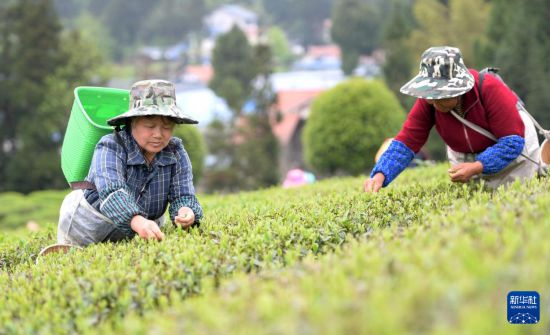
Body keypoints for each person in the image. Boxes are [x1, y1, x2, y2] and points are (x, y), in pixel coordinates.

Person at [364, 46, 544, 193]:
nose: (434, 102)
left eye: (442, 96)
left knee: (515, 200)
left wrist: (478, 166)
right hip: (468, 158)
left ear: (460, 89)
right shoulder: (429, 101)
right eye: (430, 96)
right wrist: (381, 173)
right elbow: (406, 142)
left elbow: (512, 142)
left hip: (514, 154)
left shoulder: (489, 88)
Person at [55, 79, 203, 248]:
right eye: (150, 125)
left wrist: (186, 212)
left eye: (166, 127)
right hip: (88, 226)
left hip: (141, 229)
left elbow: (183, 194)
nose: (158, 134)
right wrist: (137, 221)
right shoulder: (110, 146)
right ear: (132, 122)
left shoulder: (175, 151)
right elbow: (112, 192)